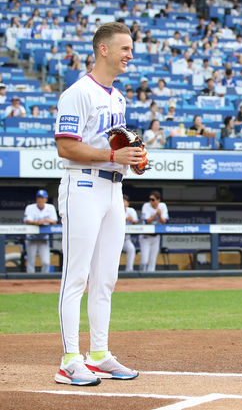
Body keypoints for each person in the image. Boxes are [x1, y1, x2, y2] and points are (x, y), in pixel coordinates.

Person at [53, 22, 141, 386]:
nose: (129, 55)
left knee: (105, 278)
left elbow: (115, 149)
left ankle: (100, 354)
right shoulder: (77, 93)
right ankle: (70, 359)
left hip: (112, 190)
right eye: (124, 48)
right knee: (76, 276)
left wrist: (132, 157)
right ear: (103, 49)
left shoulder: (117, 97)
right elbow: (66, 146)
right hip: (82, 186)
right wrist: (112, 155)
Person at [23, 189, 58, 273]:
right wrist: (37, 222)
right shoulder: (30, 207)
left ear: (46, 199)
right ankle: (30, 280)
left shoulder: (50, 207)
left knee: (46, 262)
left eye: (42, 198)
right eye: (39, 198)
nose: (40, 200)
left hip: (43, 238)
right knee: (31, 261)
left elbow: (54, 221)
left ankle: (44, 280)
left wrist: (46, 220)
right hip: (32, 238)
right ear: (36, 199)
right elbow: (26, 220)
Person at [139, 190, 169, 272]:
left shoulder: (162, 206)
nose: (151, 201)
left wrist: (159, 215)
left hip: (156, 236)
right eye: (150, 199)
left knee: (153, 260)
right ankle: (140, 276)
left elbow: (165, 222)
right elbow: (146, 221)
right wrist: (156, 214)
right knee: (144, 260)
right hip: (145, 236)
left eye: (153, 199)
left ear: (158, 200)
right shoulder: (146, 205)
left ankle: (150, 281)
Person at [122, 194, 138, 272]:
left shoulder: (131, 210)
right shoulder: (115, 210)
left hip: (126, 239)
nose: (122, 202)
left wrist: (132, 220)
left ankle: (129, 270)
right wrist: (125, 219)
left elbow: (136, 221)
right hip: (114, 239)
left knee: (131, 249)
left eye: (124, 201)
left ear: (127, 203)